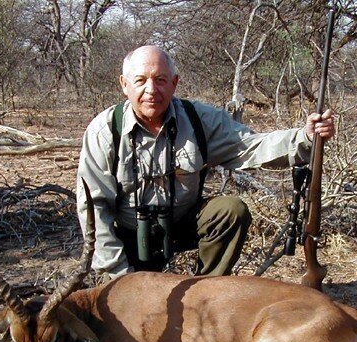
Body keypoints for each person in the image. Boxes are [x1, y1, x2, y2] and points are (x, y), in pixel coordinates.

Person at [76, 45, 335, 279]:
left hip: (181, 225)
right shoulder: (104, 131)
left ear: (175, 83)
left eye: (161, 80)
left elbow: (250, 146)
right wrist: (120, 278)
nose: (151, 90)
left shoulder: (198, 119)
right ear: (124, 84)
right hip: (129, 236)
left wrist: (305, 137)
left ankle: (205, 293)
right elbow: (94, 211)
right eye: (140, 81)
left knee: (231, 211)